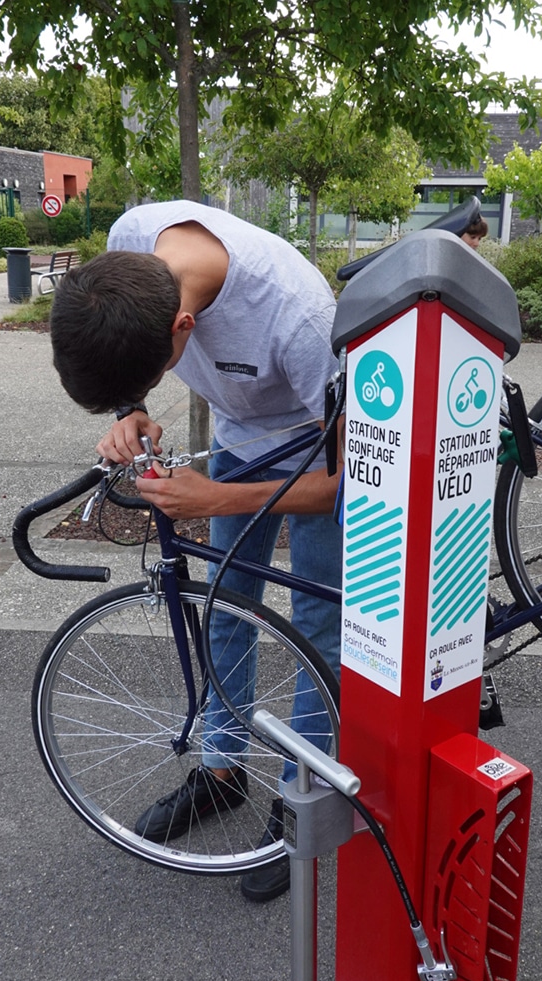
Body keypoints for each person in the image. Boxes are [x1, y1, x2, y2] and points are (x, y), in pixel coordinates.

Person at [50, 201, 343, 903]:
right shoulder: (131, 245)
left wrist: (216, 499)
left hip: (314, 437)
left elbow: (353, 481)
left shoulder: (301, 319)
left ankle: (300, 801)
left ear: (185, 325)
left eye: (147, 383)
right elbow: (122, 354)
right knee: (223, 605)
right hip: (243, 432)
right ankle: (221, 771)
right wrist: (129, 414)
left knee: (317, 622)